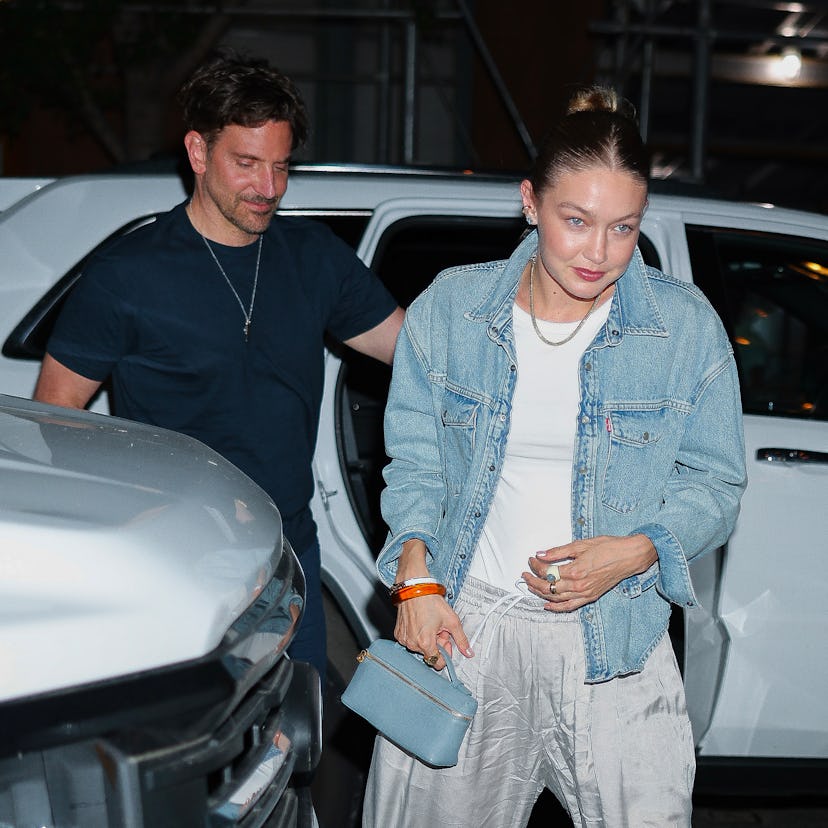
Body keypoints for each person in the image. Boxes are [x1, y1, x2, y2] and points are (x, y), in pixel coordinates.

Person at [363, 87, 746, 827]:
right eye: (576, 221)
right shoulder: (453, 310)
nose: (598, 253)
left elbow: (715, 482)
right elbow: (414, 464)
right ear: (530, 202)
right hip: (467, 628)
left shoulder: (683, 328)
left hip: (618, 637)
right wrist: (415, 580)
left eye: (623, 228)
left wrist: (634, 552)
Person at [33, 50, 405, 684]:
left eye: (281, 166)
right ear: (198, 152)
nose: (269, 188)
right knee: (199, 733)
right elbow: (54, 413)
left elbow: (417, 352)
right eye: (247, 164)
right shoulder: (128, 275)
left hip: (287, 551)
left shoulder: (314, 258)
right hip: (178, 554)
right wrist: (127, 516)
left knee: (296, 728)